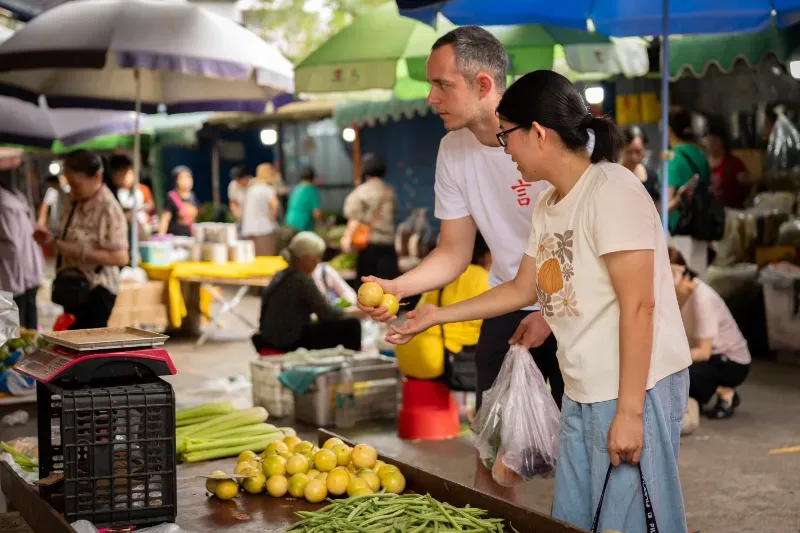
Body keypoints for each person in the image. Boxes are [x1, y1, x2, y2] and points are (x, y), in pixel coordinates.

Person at [387, 70, 692, 532]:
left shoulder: (611, 191)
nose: (504, 148)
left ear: (539, 133)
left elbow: (639, 306)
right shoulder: (549, 204)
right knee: (575, 517)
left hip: (637, 384)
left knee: (630, 519)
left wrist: (630, 414)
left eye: (507, 135)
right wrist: (436, 315)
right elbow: (522, 289)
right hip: (583, 384)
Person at [357, 27, 562, 501]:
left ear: (485, 85)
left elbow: (591, 245)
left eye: (442, 85)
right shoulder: (453, 150)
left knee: (582, 447)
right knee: (492, 451)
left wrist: (550, 314)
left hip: (576, 305)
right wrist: (398, 287)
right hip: (505, 300)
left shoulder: (548, 132)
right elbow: (453, 249)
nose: (431, 98)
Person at [33, 150, 129, 330]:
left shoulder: (109, 209)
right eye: (69, 184)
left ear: (97, 177)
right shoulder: (74, 201)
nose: (72, 190)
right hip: (71, 287)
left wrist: (78, 252)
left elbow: (121, 257)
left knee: (88, 347)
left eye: (76, 184)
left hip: (96, 291)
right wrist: (52, 240)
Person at [394, 232, 491, 380]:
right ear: (486, 254)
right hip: (439, 357)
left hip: (407, 350)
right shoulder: (484, 278)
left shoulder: (445, 275)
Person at [669, 247, 750, 419]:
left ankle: (725, 391)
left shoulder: (702, 299)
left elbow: (704, 352)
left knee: (677, 375)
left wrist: (671, 361)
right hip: (708, 358)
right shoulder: (677, 295)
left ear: (679, 271)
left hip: (730, 362)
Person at [251, 232, 361, 353]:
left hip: (270, 336)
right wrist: (354, 313)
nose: (318, 262)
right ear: (306, 259)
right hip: (287, 341)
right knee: (352, 325)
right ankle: (352, 363)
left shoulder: (282, 274)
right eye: (317, 258)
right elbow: (327, 314)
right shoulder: (301, 280)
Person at [666, 110, 712, 275]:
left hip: (679, 233)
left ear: (668, 130)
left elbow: (666, 206)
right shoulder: (700, 154)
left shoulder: (672, 158)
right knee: (700, 281)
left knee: (682, 282)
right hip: (702, 227)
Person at [342, 153, 400, 284]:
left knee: (368, 287)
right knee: (388, 286)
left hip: (369, 246)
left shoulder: (361, 191)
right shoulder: (389, 191)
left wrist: (347, 238)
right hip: (389, 246)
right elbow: (394, 214)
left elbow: (355, 219)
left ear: (365, 169)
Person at [0, 175, 45, 329]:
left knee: (11, 333)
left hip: (11, 276)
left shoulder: (4, 202)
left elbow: (12, 243)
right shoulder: (14, 196)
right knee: (26, 325)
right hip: (25, 272)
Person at [704, 118, 751, 210]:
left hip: (731, 214)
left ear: (721, 141)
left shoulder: (733, 163)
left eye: (712, 139)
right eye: (706, 138)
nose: (707, 142)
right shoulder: (702, 162)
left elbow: (746, 181)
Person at [241, 164, 280, 257]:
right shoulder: (268, 189)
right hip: (264, 230)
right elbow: (275, 205)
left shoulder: (251, 189)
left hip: (248, 229)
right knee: (267, 260)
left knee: (254, 260)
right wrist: (271, 218)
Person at [621, 126, 659, 205]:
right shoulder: (612, 176)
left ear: (645, 149)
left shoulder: (651, 176)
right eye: (629, 152)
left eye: (638, 151)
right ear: (621, 150)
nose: (633, 157)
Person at [158, 166, 198, 237]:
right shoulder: (171, 197)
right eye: (183, 178)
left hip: (190, 237)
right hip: (175, 239)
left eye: (189, 177)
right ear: (176, 180)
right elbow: (165, 219)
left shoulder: (192, 196)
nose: (187, 181)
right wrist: (161, 237)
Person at [284, 166, 322, 233]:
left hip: (289, 221)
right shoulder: (311, 190)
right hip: (303, 224)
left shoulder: (296, 188)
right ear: (312, 177)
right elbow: (316, 213)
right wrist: (323, 222)